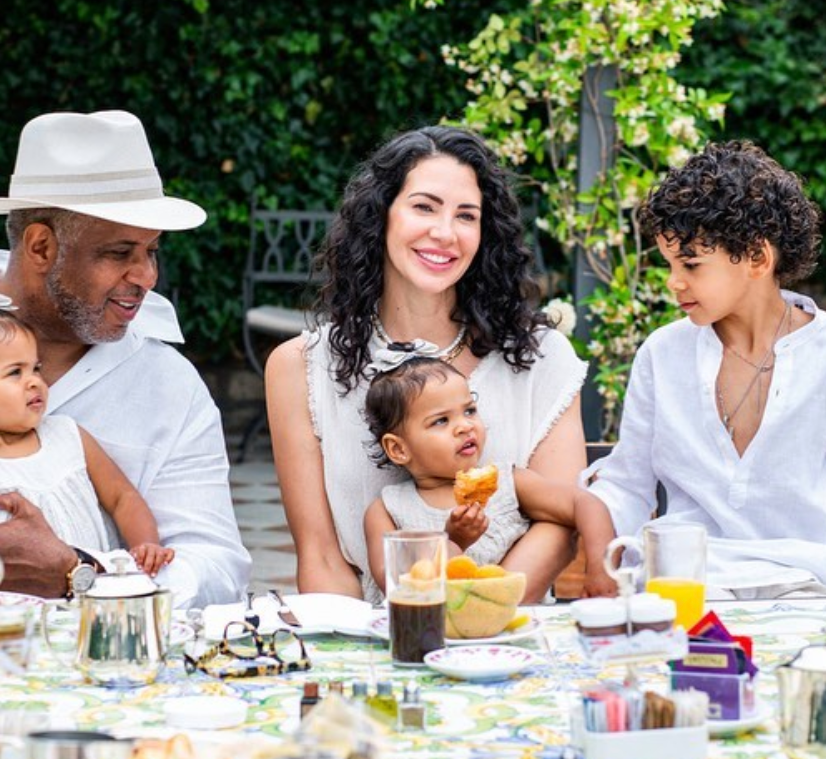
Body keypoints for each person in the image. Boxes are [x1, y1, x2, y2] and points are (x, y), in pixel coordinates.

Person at [0, 110, 250, 608]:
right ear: (41, 247)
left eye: (152, 251)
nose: (147, 276)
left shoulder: (167, 384)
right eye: (119, 253)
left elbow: (217, 567)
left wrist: (81, 576)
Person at [266, 125, 588, 605]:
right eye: (424, 207)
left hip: (507, 626)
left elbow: (559, 526)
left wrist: (475, 617)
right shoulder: (299, 367)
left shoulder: (541, 356)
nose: (444, 233)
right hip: (369, 631)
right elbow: (322, 557)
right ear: (381, 215)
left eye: (466, 215)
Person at [577, 140, 826, 600]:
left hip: (809, 591)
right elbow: (627, 486)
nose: (674, 282)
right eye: (669, 264)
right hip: (688, 588)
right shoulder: (663, 353)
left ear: (757, 258)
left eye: (691, 264)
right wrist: (601, 562)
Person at [0, 299, 173, 578]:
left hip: (101, 591)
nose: (35, 381)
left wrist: (146, 545)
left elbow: (122, 497)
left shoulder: (67, 435)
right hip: (16, 604)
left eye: (36, 368)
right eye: (15, 372)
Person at [361, 352, 616, 595]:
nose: (465, 426)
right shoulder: (387, 510)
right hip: (424, 624)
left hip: (513, 622)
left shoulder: (507, 483)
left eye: (469, 410)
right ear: (398, 449)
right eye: (441, 420)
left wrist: (602, 567)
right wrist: (454, 542)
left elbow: (585, 503)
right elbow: (396, 584)